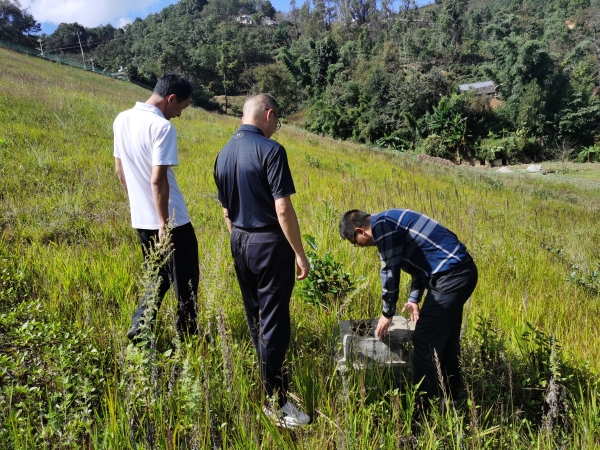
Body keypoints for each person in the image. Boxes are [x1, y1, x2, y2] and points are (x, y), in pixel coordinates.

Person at [214, 93, 311, 428]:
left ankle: (269, 372)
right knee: (274, 320)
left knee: (255, 314)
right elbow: (282, 208)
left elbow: (226, 211)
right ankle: (276, 401)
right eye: (277, 121)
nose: (276, 128)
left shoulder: (223, 154)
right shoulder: (271, 151)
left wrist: (240, 237)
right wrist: (299, 253)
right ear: (268, 114)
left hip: (239, 239)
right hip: (269, 243)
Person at [339, 209, 478, 405]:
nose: (359, 247)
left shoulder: (383, 227)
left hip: (452, 276)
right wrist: (414, 298)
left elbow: (389, 270)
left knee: (424, 339)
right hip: (458, 273)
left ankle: (425, 406)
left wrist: (387, 313)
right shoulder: (390, 221)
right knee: (446, 339)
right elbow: (421, 261)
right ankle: (451, 397)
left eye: (355, 243)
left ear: (360, 231)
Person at [113, 74, 199, 342]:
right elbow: (157, 179)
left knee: (157, 274)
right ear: (171, 99)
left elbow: (119, 170)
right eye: (181, 108)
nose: (179, 115)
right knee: (187, 281)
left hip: (140, 219)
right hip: (172, 220)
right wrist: (164, 223)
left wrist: (140, 206)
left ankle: (140, 326)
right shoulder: (161, 127)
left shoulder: (122, 119)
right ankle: (188, 337)